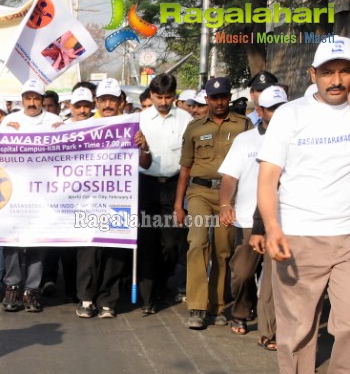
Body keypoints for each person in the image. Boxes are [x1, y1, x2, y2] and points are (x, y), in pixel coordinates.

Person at [257, 37, 350, 374]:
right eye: (328, 71)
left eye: (345, 70)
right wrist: (273, 228)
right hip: (297, 238)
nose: (337, 80)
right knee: (297, 335)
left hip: (349, 239)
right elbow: (267, 178)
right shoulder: (291, 116)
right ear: (312, 75)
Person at [174, 76, 250, 329]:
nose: (219, 102)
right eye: (214, 98)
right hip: (199, 193)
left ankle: (216, 306)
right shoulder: (194, 127)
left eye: (223, 97)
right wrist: (178, 204)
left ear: (229, 98)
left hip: (230, 196)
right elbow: (185, 168)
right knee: (197, 243)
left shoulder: (244, 125)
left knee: (223, 250)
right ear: (206, 99)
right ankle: (197, 307)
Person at [76, 77, 150, 319]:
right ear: (96, 102)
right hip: (88, 200)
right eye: (103, 99)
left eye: (112, 100)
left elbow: (146, 164)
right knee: (89, 248)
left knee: (116, 249)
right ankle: (86, 299)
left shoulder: (133, 127)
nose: (107, 104)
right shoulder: (82, 126)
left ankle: (108, 299)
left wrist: (143, 147)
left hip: (119, 198)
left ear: (121, 101)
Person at [219, 85, 286, 336]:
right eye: (271, 109)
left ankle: (269, 332)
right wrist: (226, 204)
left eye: (282, 108)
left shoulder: (295, 137)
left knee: (272, 281)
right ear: (259, 110)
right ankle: (240, 312)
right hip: (247, 220)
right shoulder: (245, 140)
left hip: (282, 221)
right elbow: (229, 178)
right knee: (243, 274)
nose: (277, 114)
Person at [1, 78, 60, 313]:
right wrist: (6, 134)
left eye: (36, 98)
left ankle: (32, 289)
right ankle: (13, 285)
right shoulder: (10, 120)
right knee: (12, 240)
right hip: (15, 191)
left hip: (43, 192)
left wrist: (63, 133)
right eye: (28, 98)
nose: (32, 102)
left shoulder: (55, 121)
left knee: (38, 239)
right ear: (22, 99)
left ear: (42, 100)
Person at [137, 73, 192, 314]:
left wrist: (180, 203)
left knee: (170, 245)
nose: (163, 102)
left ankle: (162, 283)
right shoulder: (139, 120)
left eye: (168, 97)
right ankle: (149, 298)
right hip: (145, 185)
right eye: (159, 97)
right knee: (148, 243)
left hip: (174, 186)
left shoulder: (185, 120)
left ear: (174, 96)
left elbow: (187, 162)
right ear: (151, 95)